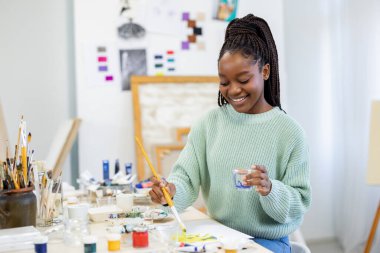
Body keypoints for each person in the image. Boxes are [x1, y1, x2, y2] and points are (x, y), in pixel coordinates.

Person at [149, 14, 311, 253]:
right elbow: (185, 178)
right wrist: (169, 192)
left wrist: (270, 189)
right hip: (218, 238)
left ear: (265, 71)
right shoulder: (208, 124)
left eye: (243, 80)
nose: (233, 90)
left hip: (265, 243)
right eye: (224, 82)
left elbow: (299, 202)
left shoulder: (290, 132)